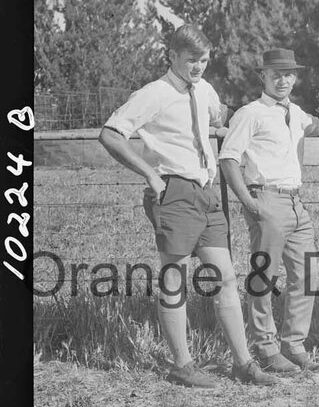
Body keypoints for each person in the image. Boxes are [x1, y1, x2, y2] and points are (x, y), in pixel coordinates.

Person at [99, 24, 277, 387]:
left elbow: (217, 116)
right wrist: (150, 175)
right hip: (173, 191)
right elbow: (111, 133)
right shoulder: (154, 93)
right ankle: (182, 364)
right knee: (175, 279)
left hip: (206, 191)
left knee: (225, 277)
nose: (199, 67)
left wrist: (229, 123)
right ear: (172, 56)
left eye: (205, 60)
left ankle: (243, 363)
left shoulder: (205, 88)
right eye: (192, 60)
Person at [218, 48, 319, 374]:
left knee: (308, 273)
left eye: (288, 74)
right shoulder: (251, 113)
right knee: (265, 275)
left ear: (295, 77)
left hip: (296, 201)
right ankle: (266, 348)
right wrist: (250, 203)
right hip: (266, 198)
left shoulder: (297, 112)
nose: (283, 80)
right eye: (276, 74)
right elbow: (228, 159)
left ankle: (294, 344)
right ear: (262, 76)